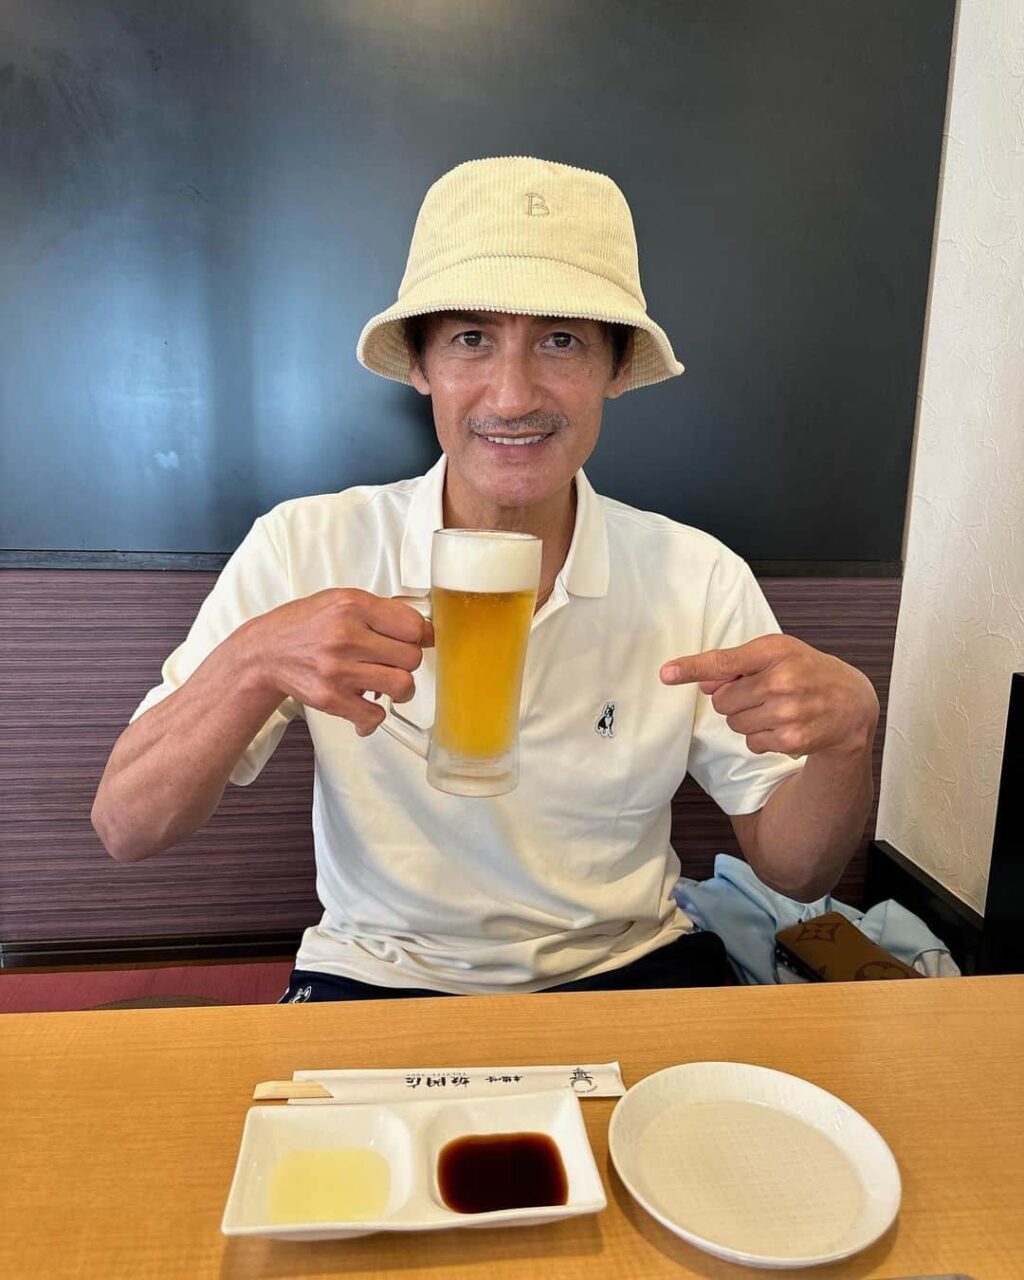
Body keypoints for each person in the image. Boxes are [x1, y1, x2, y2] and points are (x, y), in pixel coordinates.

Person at [91, 157, 880, 1002]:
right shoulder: (305, 545)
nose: (510, 396)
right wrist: (253, 662)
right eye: (472, 339)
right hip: (375, 969)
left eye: (560, 340)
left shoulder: (697, 573)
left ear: (617, 368)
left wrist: (848, 741)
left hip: (630, 965)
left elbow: (796, 872)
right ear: (421, 364)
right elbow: (128, 825)